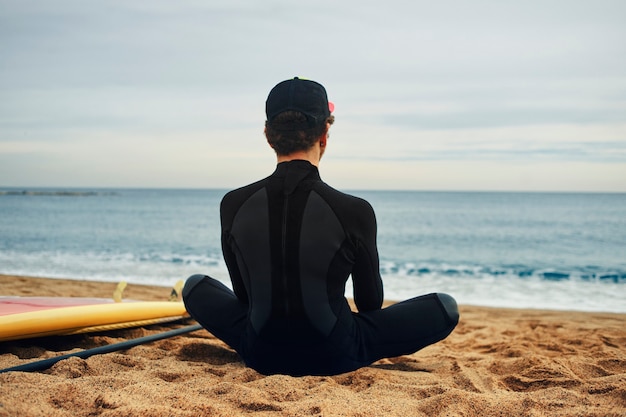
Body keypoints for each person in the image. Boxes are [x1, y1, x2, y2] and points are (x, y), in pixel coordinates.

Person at [182, 77, 459, 376]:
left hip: (259, 350)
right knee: (445, 307)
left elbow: (245, 298)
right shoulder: (355, 210)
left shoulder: (232, 204)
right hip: (336, 353)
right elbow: (369, 304)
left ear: (268, 135)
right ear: (325, 133)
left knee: (194, 286)